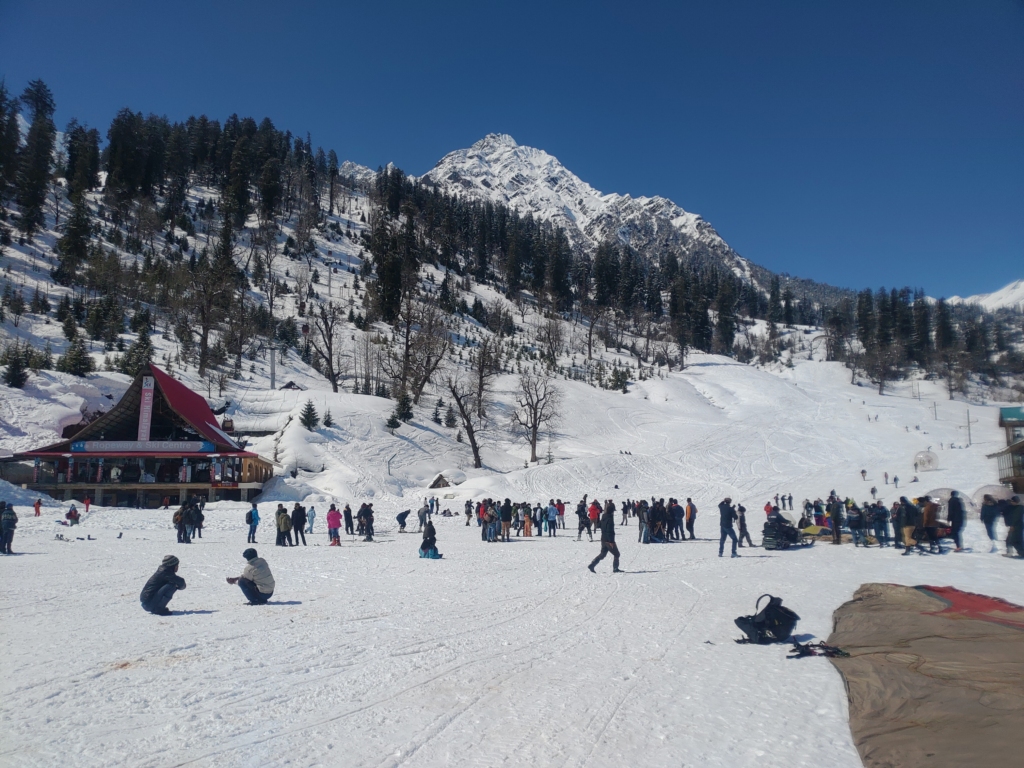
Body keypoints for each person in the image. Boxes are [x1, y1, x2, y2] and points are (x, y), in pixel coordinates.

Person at [588, 504, 620, 573]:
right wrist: (611, 541)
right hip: (608, 540)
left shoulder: (604, 516)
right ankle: (615, 568)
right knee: (617, 554)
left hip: (603, 538)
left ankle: (592, 565)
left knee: (603, 554)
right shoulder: (610, 518)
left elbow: (599, 525)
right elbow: (609, 530)